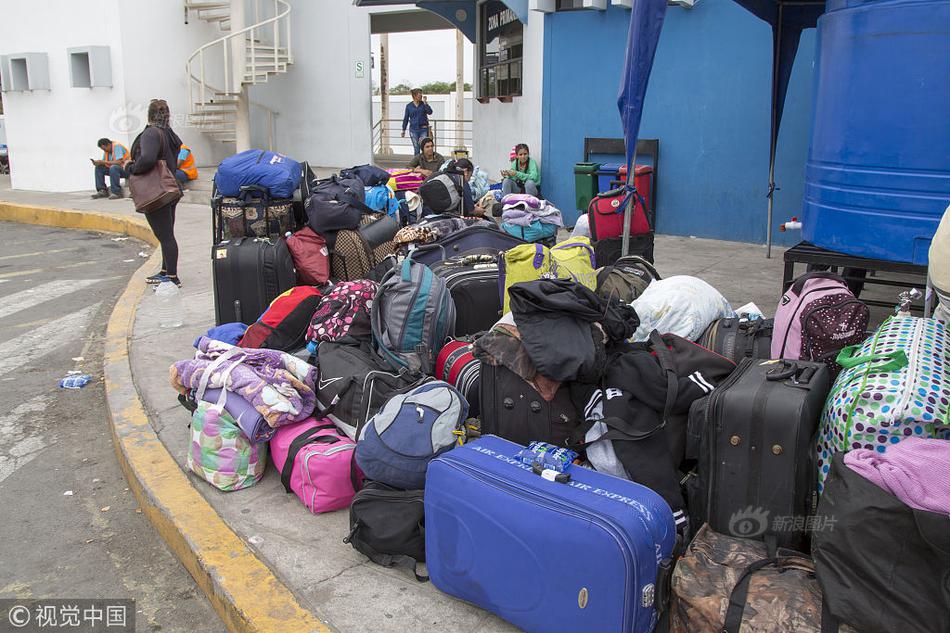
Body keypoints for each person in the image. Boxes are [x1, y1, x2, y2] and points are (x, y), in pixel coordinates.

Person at [126, 99, 183, 287]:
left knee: (165, 236)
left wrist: (132, 167)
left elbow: (147, 159)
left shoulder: (151, 133)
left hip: (156, 190)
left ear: (149, 115)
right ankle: (166, 271)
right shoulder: (169, 134)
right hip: (169, 188)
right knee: (167, 232)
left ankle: (172, 277)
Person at [401, 89, 433, 156]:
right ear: (414, 96)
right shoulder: (409, 106)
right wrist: (403, 130)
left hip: (423, 129)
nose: (421, 96)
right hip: (413, 130)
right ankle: (416, 164)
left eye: (421, 95)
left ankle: (424, 163)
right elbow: (406, 118)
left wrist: (425, 103)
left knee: (424, 147)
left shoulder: (423, 104)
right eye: (419, 95)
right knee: (416, 148)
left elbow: (430, 112)